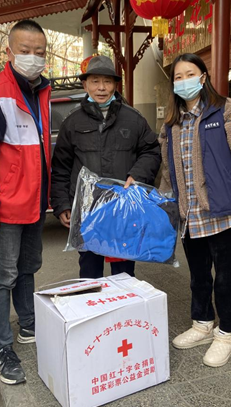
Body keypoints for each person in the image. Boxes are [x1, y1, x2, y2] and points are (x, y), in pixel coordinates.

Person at [159, 53, 231, 368]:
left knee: (227, 276)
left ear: (203, 77)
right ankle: (202, 323)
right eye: (178, 77)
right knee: (199, 274)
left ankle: (226, 332)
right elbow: (167, 168)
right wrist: (166, 203)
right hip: (189, 212)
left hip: (223, 211)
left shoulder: (227, 112)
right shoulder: (172, 122)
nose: (184, 81)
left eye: (190, 74)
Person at [0, 20, 51, 385]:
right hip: (5, 205)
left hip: (34, 202)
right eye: (25, 50)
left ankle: (28, 324)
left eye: (39, 52)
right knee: (2, 277)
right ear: (9, 52)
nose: (33, 58)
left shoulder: (41, 90)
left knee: (28, 267)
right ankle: (2, 347)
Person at [51, 56, 161, 279]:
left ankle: (122, 302)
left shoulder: (133, 119)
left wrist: (137, 174)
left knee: (124, 272)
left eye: (107, 81)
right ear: (85, 85)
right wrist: (62, 204)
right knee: (89, 273)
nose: (101, 88)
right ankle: (94, 301)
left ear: (115, 85)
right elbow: (61, 167)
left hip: (123, 209)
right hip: (87, 211)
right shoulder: (72, 122)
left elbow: (151, 151)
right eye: (95, 81)